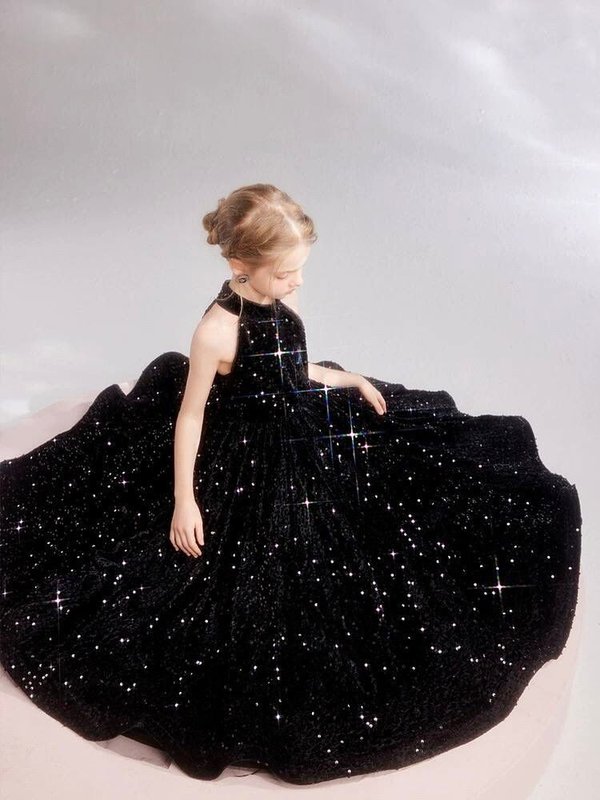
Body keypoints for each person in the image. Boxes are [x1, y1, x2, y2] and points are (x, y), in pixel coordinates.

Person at [0, 183, 582, 785]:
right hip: (244, 453)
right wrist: (184, 500)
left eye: (300, 270)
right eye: (284, 274)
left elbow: (290, 364)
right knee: (254, 576)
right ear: (240, 266)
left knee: (414, 502)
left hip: (301, 425)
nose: (296, 283)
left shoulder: (282, 298)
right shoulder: (216, 332)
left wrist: (348, 378)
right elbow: (191, 416)